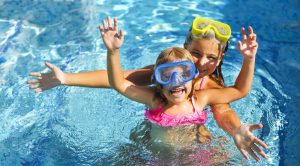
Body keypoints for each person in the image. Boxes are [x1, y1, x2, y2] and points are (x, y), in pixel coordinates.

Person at [27, 16, 267, 161]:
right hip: (154, 142)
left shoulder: (207, 90)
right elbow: (118, 80)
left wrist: (236, 130)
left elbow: (225, 111)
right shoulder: (162, 79)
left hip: (193, 144)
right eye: (195, 54)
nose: (202, 63)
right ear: (185, 48)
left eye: (211, 58)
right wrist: (67, 78)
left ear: (221, 58)